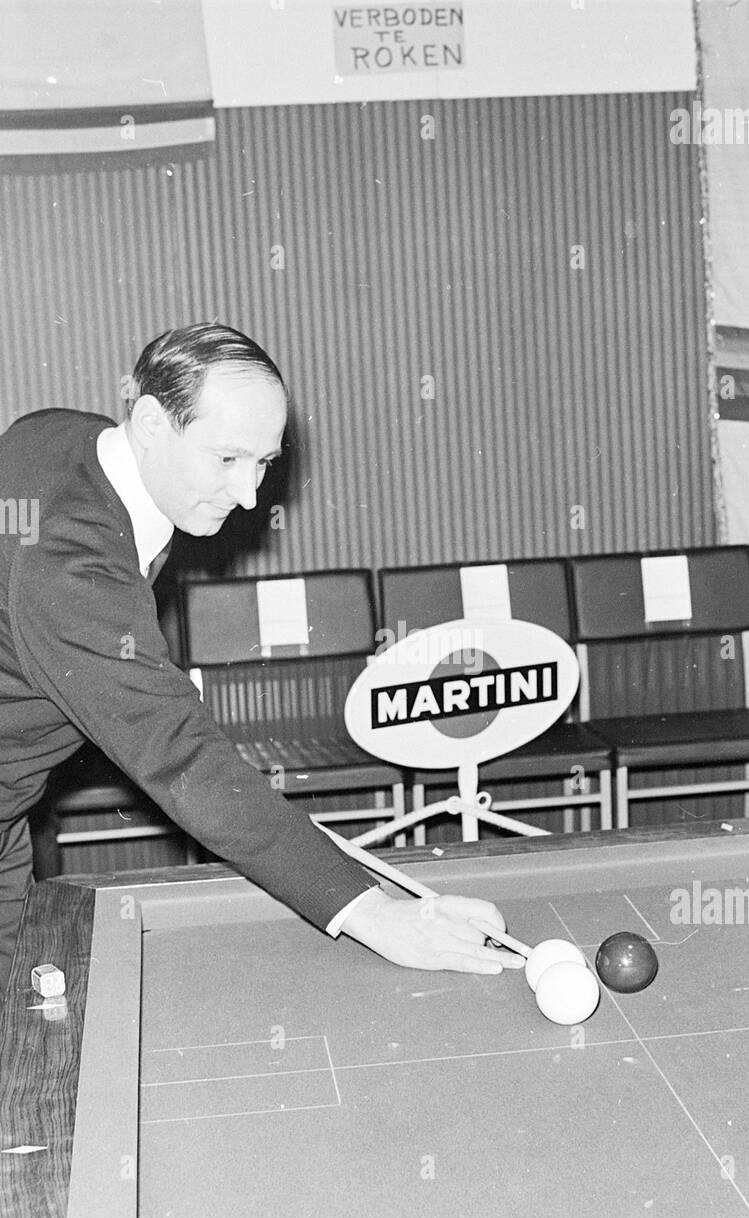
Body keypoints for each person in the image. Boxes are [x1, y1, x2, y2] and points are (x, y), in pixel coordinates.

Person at [0, 323, 523, 1000]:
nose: (248, 495)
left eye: (264, 463)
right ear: (152, 422)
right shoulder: (72, 571)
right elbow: (182, 758)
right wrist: (378, 916)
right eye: (226, 460)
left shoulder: (61, 436)